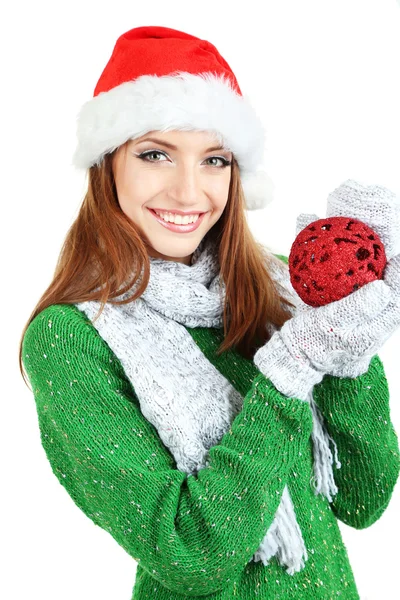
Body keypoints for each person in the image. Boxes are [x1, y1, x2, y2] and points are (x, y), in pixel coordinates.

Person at [19, 25, 400, 600]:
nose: (189, 192)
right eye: (155, 155)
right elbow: (194, 553)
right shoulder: (71, 339)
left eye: (214, 160)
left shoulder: (277, 289)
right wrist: (289, 370)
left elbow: (361, 497)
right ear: (108, 166)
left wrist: (348, 349)